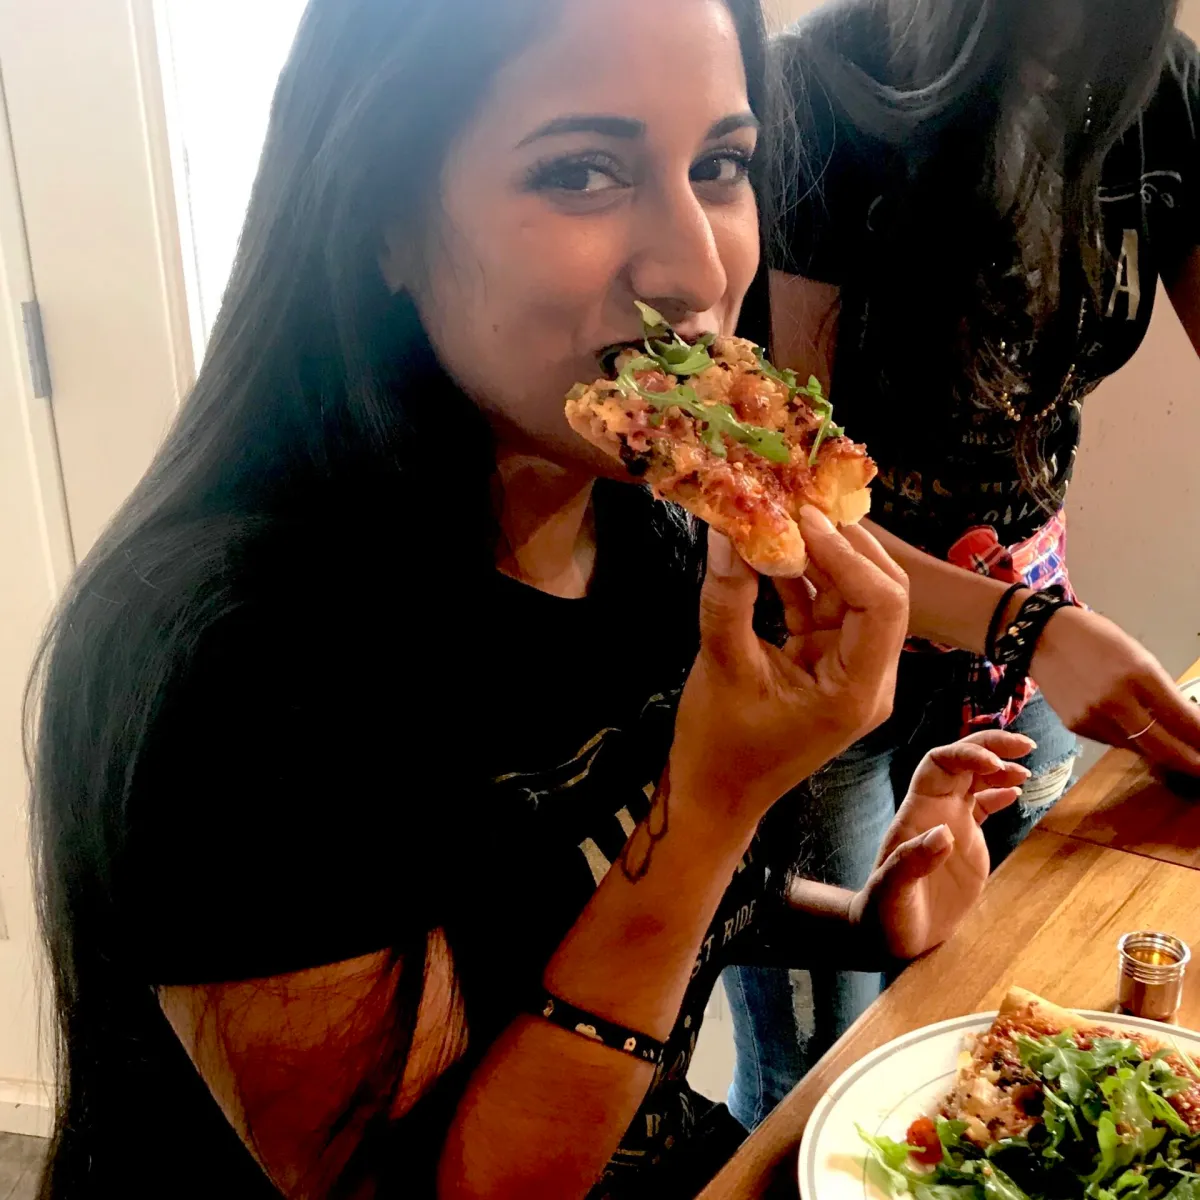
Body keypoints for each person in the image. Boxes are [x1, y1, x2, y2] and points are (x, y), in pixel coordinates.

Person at [23, 0, 1034, 1196]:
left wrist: (864, 919)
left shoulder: (644, 528)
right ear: (381, 222)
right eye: (581, 171)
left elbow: (584, 883)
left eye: (720, 163)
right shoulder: (233, 661)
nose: (699, 267)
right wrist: (714, 804)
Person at [722, 0, 1200, 1134]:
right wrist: (1026, 627)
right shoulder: (815, 96)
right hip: (814, 656)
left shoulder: (1156, 83)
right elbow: (785, 496)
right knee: (820, 1082)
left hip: (1015, 628)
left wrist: (1026, 629)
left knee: (1004, 1001)